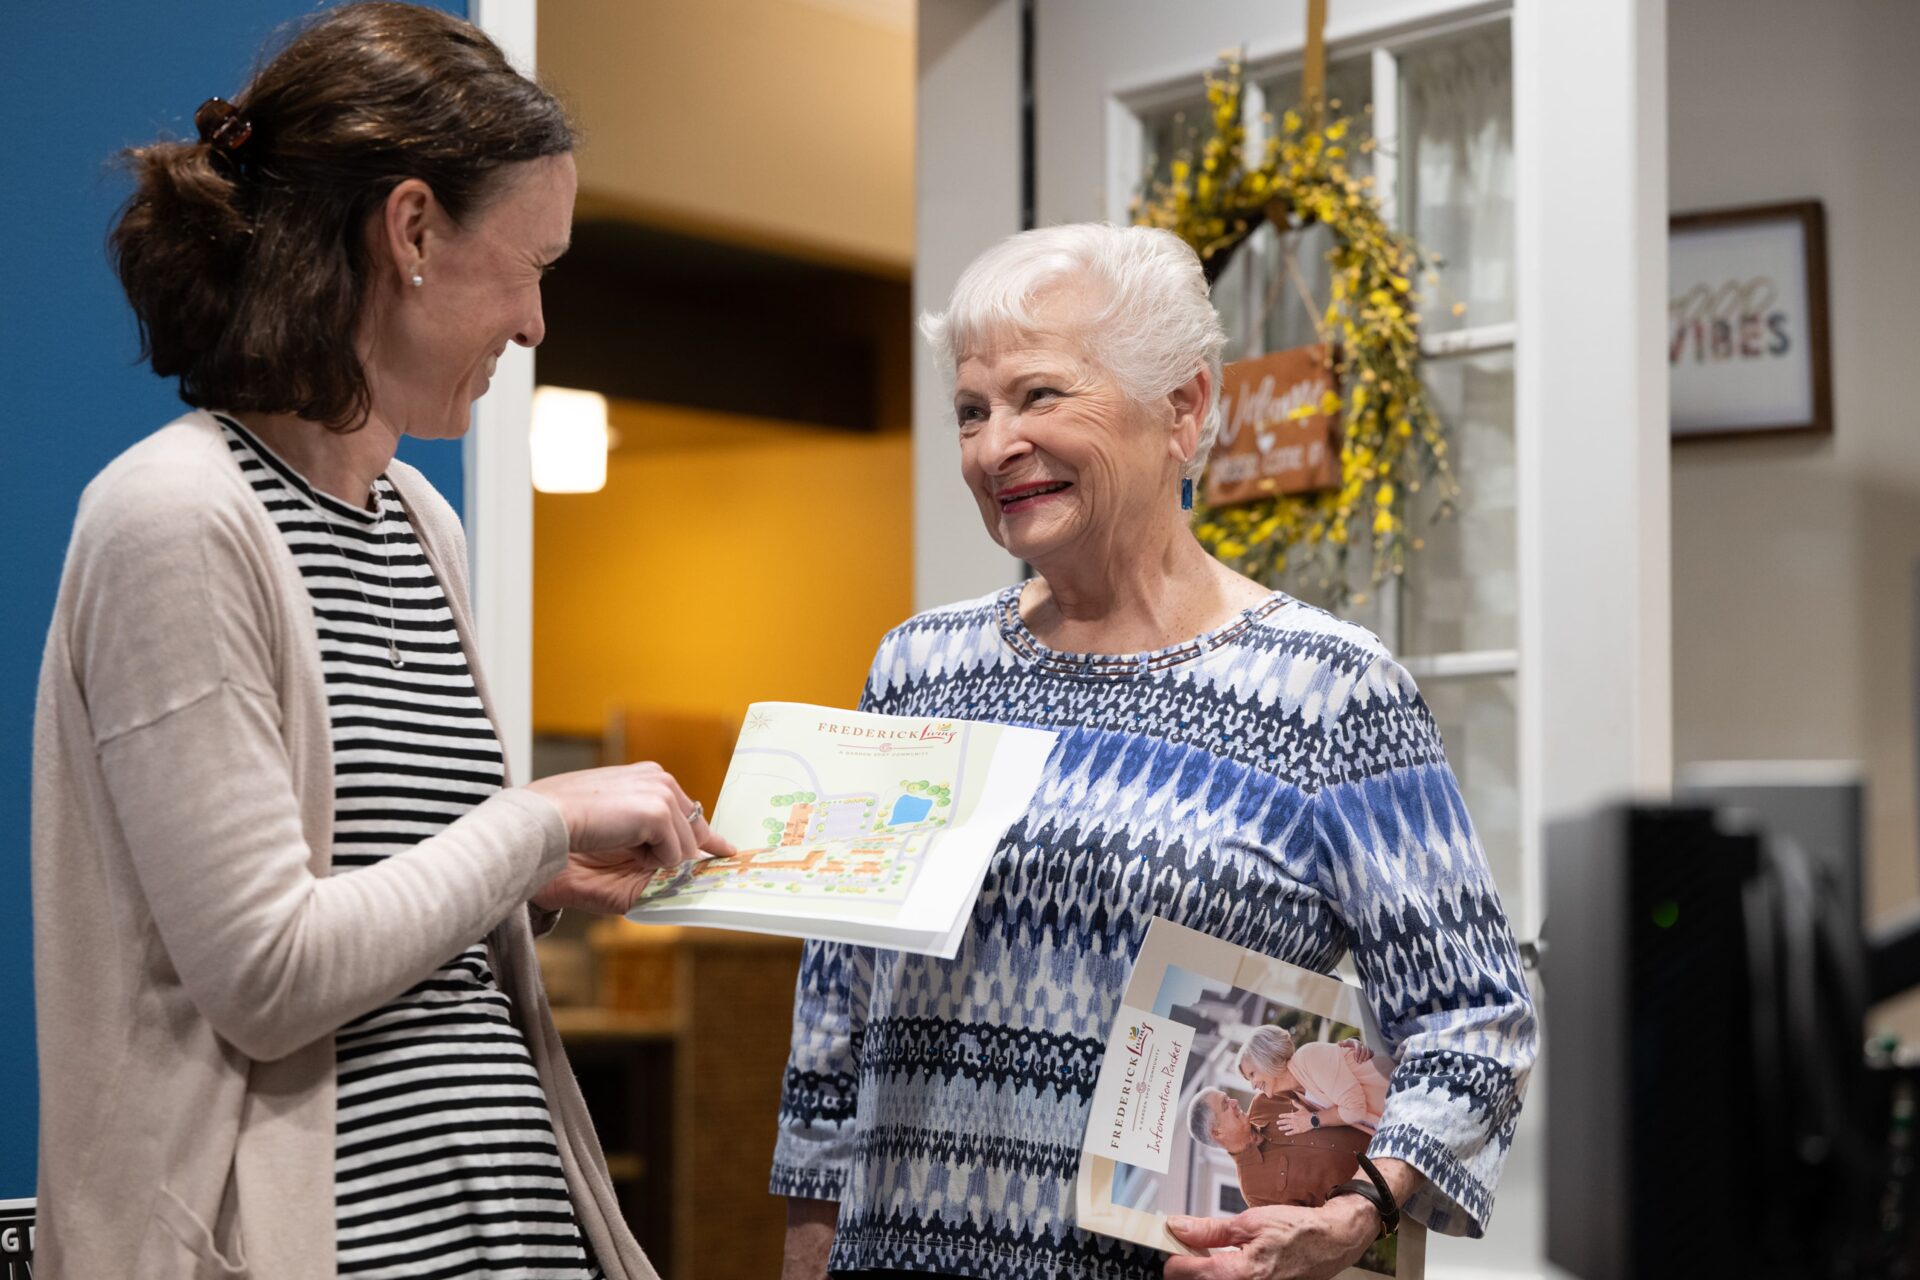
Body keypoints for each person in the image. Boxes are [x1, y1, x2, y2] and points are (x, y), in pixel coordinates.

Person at [30, 6, 731, 1277]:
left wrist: (527, 884)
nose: (533, 326)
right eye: (532, 265)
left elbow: (384, 903)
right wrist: (536, 823)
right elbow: (268, 972)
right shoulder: (174, 517)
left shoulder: (419, 519)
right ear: (410, 229)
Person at [772, 223, 1538, 1280]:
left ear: (1184, 406)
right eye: (971, 410)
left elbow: (1475, 1013)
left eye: (1040, 396)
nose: (996, 445)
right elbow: (833, 1025)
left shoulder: (1328, 689)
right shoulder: (919, 669)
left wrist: (1359, 1209)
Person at [1187, 1088, 1369, 1209]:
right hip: (1379, 1190)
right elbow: (1317, 1223)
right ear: (1217, 1132)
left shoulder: (1267, 1099)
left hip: (1382, 1129)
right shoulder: (1255, 1193)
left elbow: (1321, 1086)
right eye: (1225, 1105)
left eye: (1228, 1098)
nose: (1234, 1101)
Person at [1238, 1028, 1390, 1135]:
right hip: (1392, 1121)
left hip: (1400, 1096)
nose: (1253, 1085)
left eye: (1252, 1074)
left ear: (1265, 1059)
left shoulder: (1308, 1057)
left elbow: (1355, 1109)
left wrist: (1312, 1120)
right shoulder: (1299, 1096)